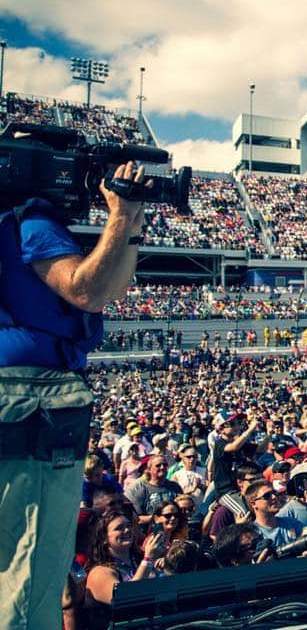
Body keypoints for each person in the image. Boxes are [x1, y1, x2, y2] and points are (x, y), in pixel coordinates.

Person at [0, 161, 151, 630]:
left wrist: (130, 223)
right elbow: (87, 291)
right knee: (32, 563)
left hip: (24, 398)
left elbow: (108, 288)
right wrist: (121, 213)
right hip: (32, 403)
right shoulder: (30, 219)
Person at [83, 510, 166, 629]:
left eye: (129, 526)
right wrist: (148, 560)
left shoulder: (138, 562)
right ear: (105, 538)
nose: (127, 530)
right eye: (119, 528)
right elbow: (127, 600)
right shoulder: (99, 573)